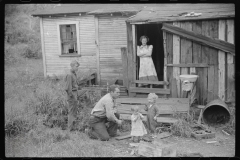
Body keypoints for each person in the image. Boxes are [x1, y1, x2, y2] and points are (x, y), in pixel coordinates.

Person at [64, 60, 80, 131]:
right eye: (76, 66)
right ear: (72, 66)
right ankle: (69, 129)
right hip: (72, 95)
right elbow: (68, 88)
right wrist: (72, 97)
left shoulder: (74, 74)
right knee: (71, 112)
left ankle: (73, 127)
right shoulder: (69, 75)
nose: (77, 68)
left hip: (75, 93)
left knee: (74, 111)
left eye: (78, 67)